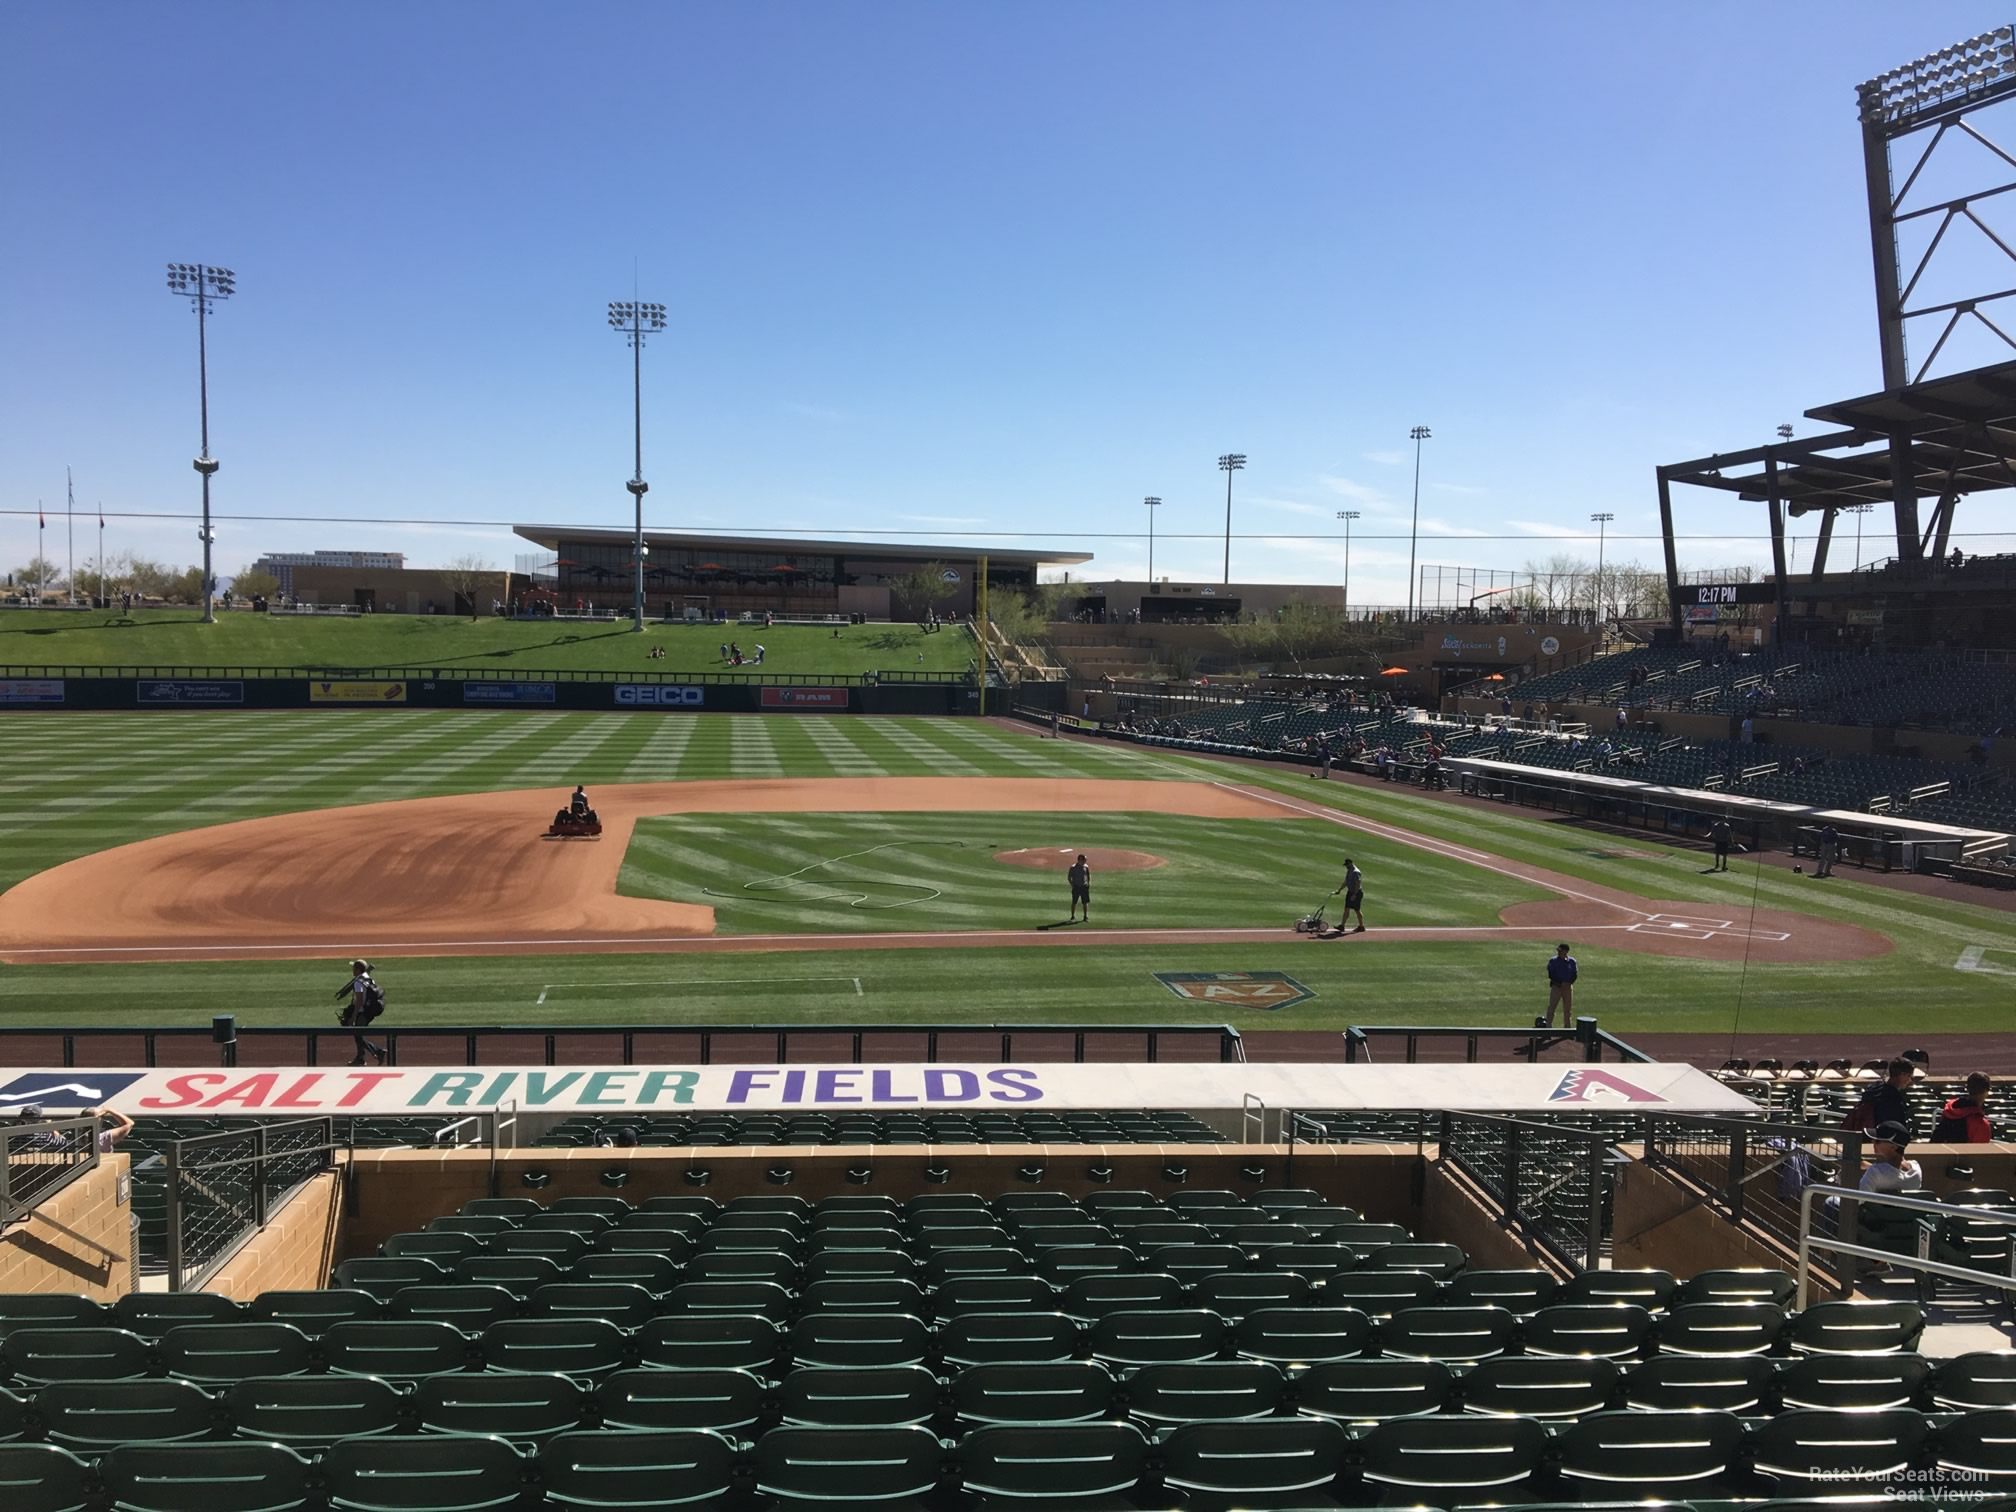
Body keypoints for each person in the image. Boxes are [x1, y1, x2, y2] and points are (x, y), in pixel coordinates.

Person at [335, 958, 388, 1066]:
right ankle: (360, 1058)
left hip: (364, 1012)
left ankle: (378, 1051)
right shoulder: (367, 978)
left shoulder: (359, 982)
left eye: (354, 967)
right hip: (369, 1010)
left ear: (358, 969)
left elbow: (359, 1001)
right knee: (358, 1034)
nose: (352, 969)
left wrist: (353, 1017)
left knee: (358, 1035)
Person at [1846, 1058, 1918, 1136]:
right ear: (1902, 1075)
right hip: (1883, 1141)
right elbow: (1896, 1127)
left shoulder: (1873, 1090)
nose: (1910, 1080)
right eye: (1909, 1076)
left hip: (1866, 1137)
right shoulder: (1893, 1099)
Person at [1932, 1073, 1995, 1143]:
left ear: (1967, 1089)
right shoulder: (1981, 1124)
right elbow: (1979, 1152)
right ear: (1986, 1092)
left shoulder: (1949, 1110)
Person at [1540, 944, 1577, 1029]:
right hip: (1556, 987)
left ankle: (1567, 1028)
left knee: (1567, 1009)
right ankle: (1548, 1027)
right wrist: (1560, 983)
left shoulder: (1572, 961)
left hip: (1568, 988)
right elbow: (1551, 974)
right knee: (1552, 1007)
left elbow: (1574, 974)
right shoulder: (1553, 961)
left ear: (1566, 951)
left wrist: (1568, 983)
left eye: (1561, 950)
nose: (1559, 952)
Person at [1331, 860, 1366, 934]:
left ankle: (1361, 926)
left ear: (1351, 863)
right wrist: (1339, 890)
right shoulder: (1349, 871)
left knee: (1357, 910)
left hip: (1356, 893)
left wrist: (1354, 894)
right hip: (1350, 892)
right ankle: (1342, 926)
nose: (1346, 867)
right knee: (1346, 908)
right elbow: (1346, 882)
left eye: (1347, 865)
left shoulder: (1356, 872)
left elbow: (1358, 884)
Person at [1067, 854, 1092, 923]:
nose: (1085, 861)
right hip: (1076, 887)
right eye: (1084, 860)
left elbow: (1088, 875)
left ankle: (1085, 917)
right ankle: (1072, 916)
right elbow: (1069, 877)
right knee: (1074, 902)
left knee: (1085, 902)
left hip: (1084, 887)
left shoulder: (1086, 867)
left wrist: (1088, 883)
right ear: (1080, 860)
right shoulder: (1073, 867)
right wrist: (1072, 885)